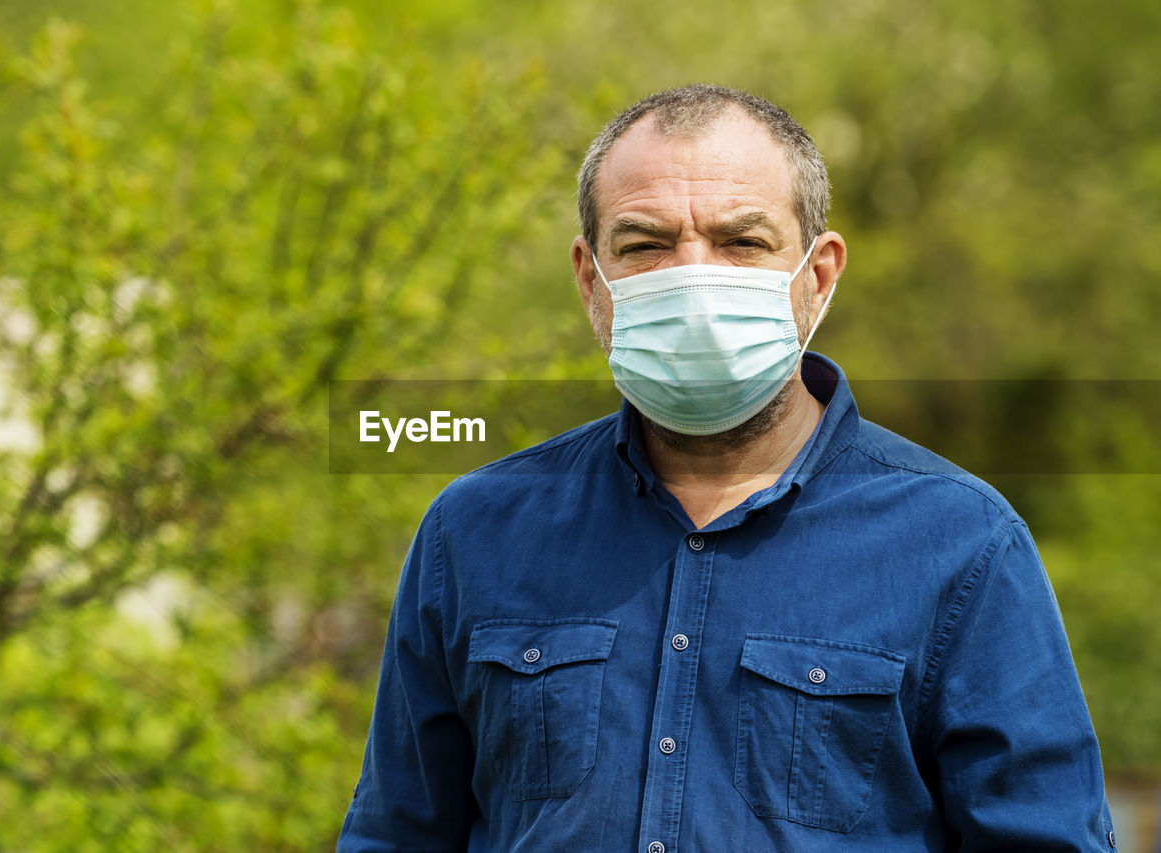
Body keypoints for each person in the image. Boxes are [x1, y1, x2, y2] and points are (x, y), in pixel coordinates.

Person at [338, 85, 1116, 851]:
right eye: (645, 245)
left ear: (818, 275)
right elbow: (398, 831)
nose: (695, 282)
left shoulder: (963, 543)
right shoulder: (476, 531)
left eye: (742, 242)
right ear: (590, 278)